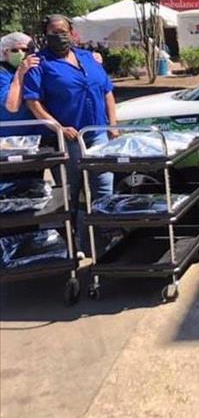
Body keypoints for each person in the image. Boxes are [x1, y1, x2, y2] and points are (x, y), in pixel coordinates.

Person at [23, 14, 117, 249]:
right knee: (72, 192)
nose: (60, 36)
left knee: (104, 187)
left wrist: (112, 124)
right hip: (68, 139)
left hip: (98, 133)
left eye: (64, 30)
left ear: (72, 31)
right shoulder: (40, 64)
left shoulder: (88, 58)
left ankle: (103, 240)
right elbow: (33, 102)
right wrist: (59, 127)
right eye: (54, 32)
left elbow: (107, 91)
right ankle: (75, 244)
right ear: (46, 35)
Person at [0, 32, 39, 136]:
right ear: (4, 53)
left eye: (25, 50)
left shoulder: (35, 70)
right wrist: (19, 74)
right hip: (8, 136)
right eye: (14, 50)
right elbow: (12, 107)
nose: (21, 53)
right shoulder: (3, 73)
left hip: (35, 133)